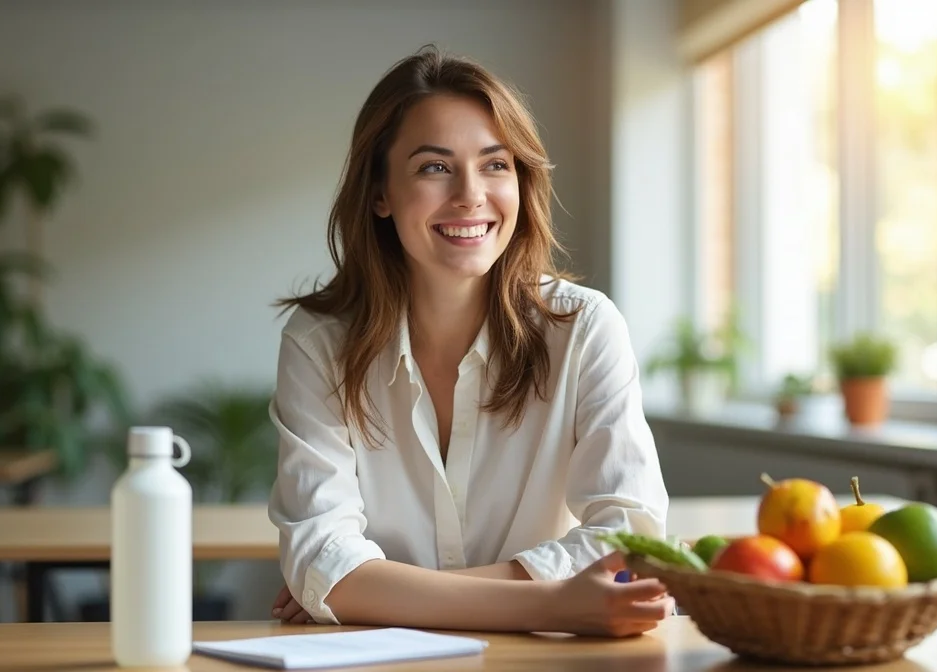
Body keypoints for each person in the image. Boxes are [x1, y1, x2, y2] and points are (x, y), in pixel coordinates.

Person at [267, 45, 672, 638]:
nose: (470, 194)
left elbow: (630, 544)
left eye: (495, 164)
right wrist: (553, 603)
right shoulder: (319, 344)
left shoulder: (584, 328)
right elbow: (325, 566)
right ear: (379, 192)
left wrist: (379, 594)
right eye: (434, 167)